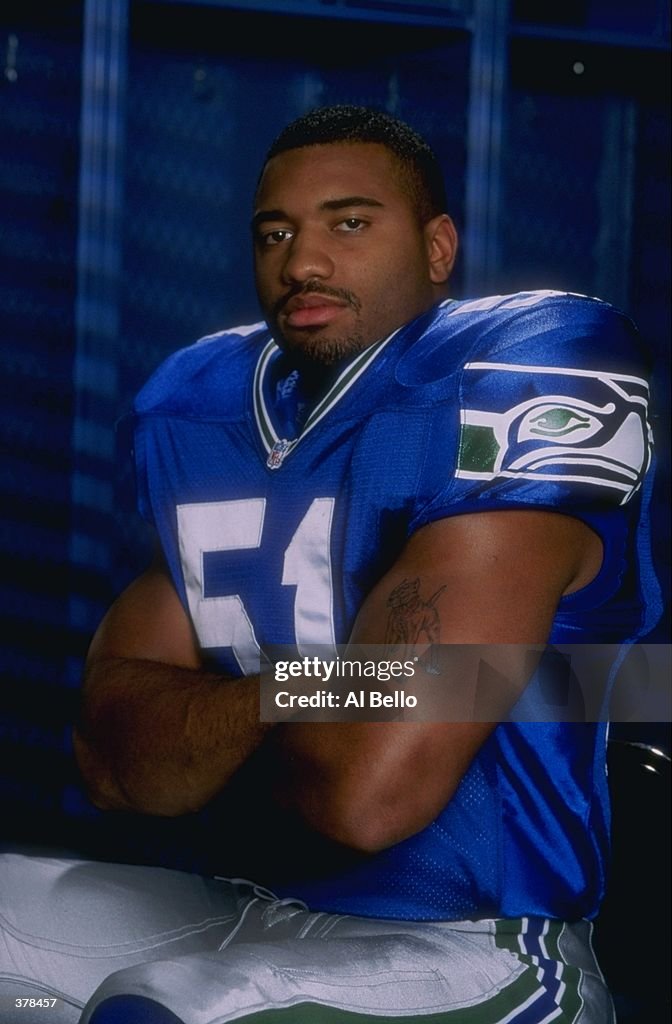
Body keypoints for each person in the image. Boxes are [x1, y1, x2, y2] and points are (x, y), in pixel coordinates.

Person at [0, 105, 661, 1024]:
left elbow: (368, 794)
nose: (302, 262)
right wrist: (295, 696)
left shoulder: (516, 371)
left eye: (350, 223)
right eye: (277, 232)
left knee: (165, 1008)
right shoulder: (200, 405)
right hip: (249, 906)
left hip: (471, 940)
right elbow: (112, 763)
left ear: (438, 247)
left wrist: (211, 727)